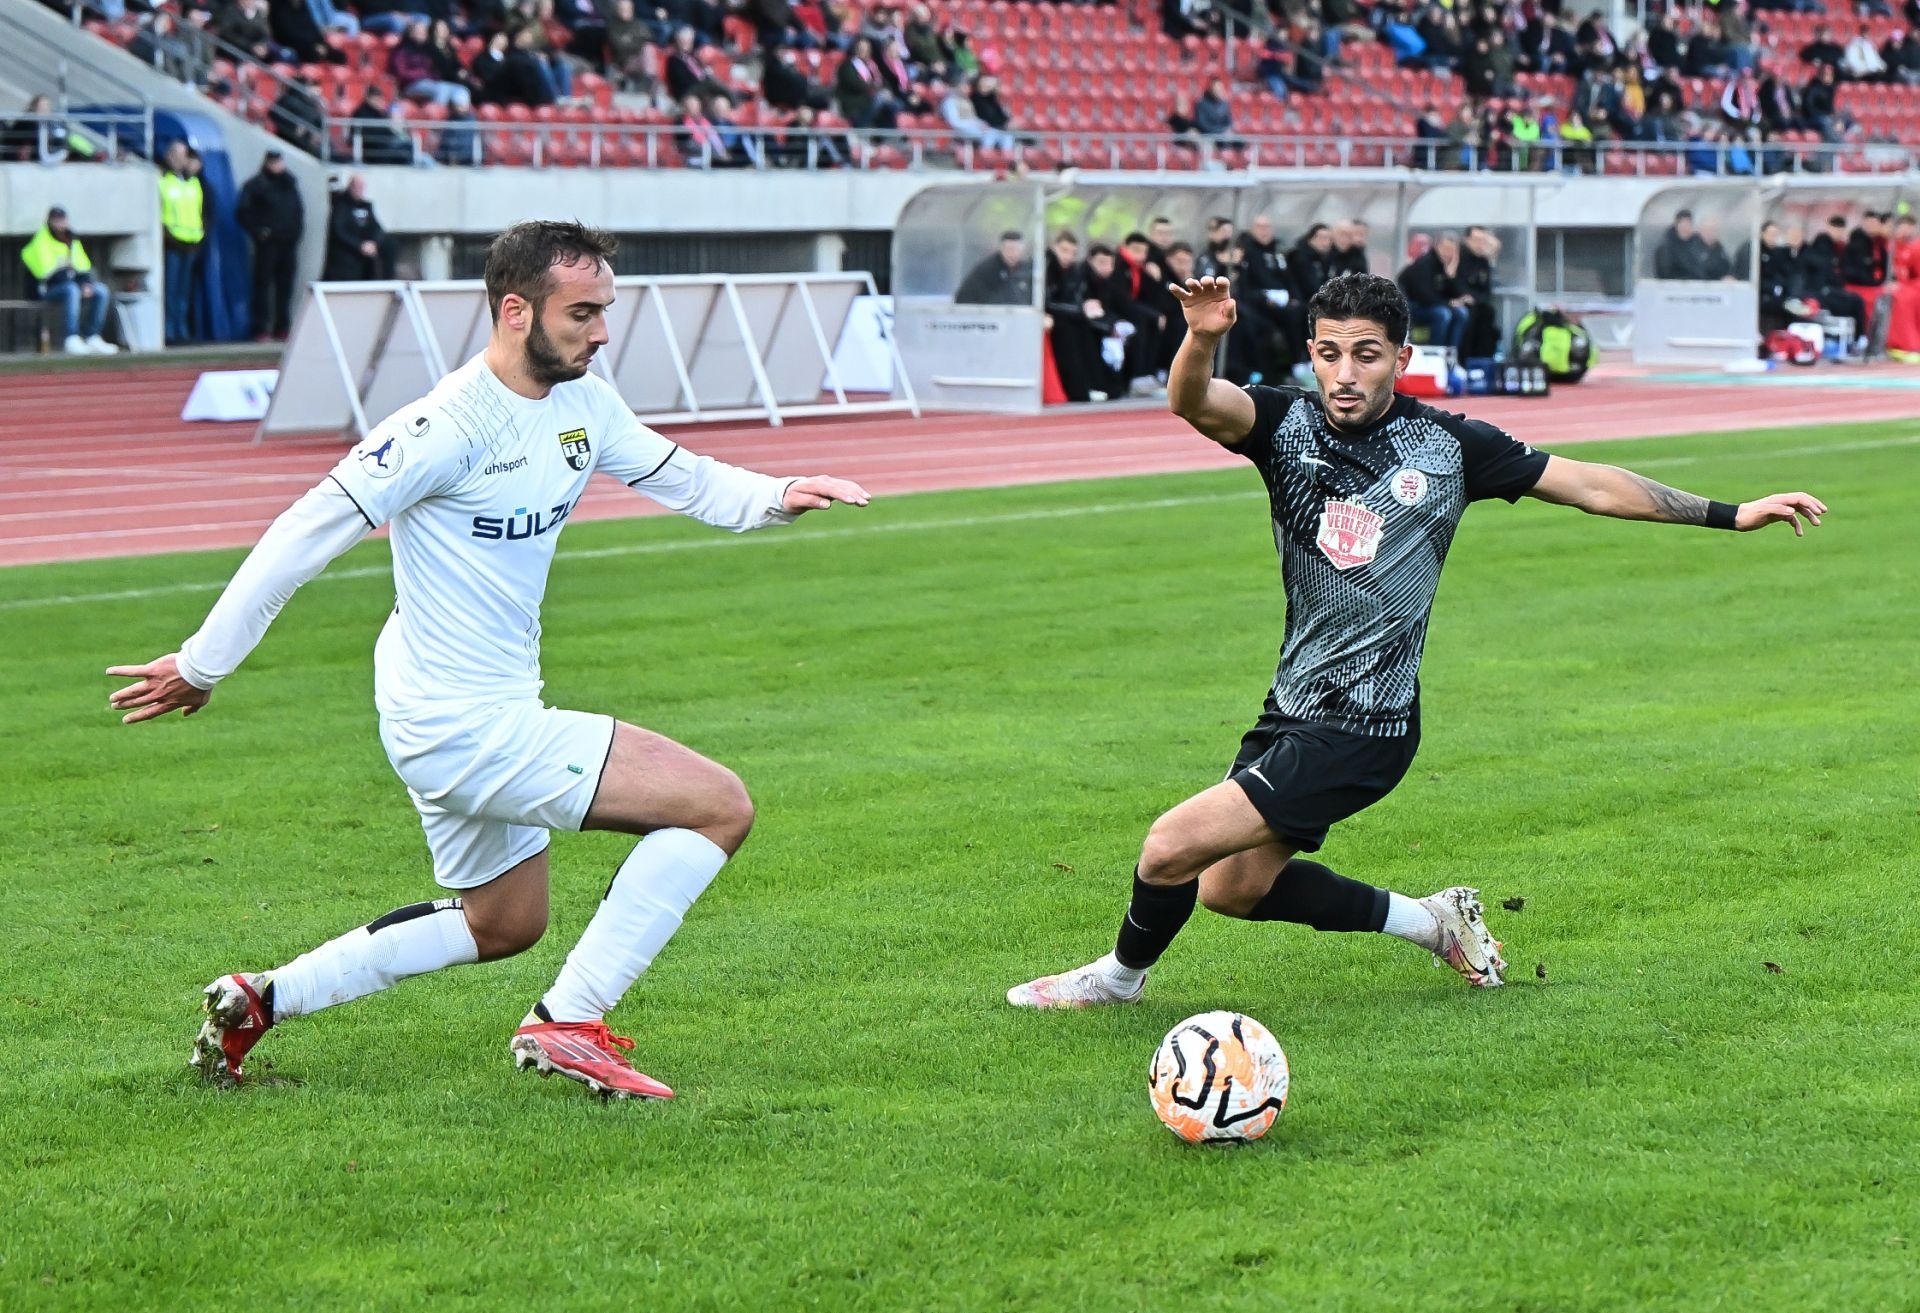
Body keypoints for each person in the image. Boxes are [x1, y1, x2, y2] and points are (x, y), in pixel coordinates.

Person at [110, 221, 872, 1100]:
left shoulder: (584, 403)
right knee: (718, 806)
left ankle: (261, 998)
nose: (601, 331)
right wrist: (204, 663)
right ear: (516, 311)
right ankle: (569, 1023)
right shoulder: (444, 425)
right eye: (582, 312)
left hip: (455, 709)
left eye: (604, 310)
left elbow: (683, 476)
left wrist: (778, 494)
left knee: (504, 921)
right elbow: (302, 534)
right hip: (463, 724)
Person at [1005, 271, 1826, 1012]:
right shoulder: (1284, 422)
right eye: (1330, 353)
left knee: (1169, 843)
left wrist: (1729, 511)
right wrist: (1203, 336)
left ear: (1401, 355)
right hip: (1293, 706)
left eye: (1366, 354)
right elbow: (1193, 402)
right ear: (1313, 355)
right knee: (1230, 886)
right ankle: (1436, 922)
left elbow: (1588, 484)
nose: (1345, 372)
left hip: (1368, 723)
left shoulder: (1449, 447)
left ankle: (1117, 981)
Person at [20, 206, 117, 355]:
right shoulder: (41, 242)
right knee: (71, 289)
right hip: (45, 289)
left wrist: (86, 284)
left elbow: (84, 267)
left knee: (101, 290)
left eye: (62, 220)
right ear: (49, 222)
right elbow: (50, 276)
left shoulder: (72, 240)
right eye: (56, 220)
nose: (60, 224)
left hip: (72, 285)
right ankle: (71, 338)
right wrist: (79, 285)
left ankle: (92, 336)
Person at [237, 149, 305, 341]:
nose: (276, 166)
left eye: (279, 162)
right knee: (263, 287)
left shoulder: (290, 185)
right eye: (273, 162)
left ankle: (282, 327)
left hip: (288, 243)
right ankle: (261, 328)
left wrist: (296, 233)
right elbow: (243, 213)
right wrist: (260, 232)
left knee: (285, 288)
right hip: (267, 245)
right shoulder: (255, 186)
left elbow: (298, 212)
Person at [159, 140, 205, 346]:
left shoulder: (193, 183)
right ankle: (169, 331)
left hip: (191, 243)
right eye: (176, 154)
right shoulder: (164, 182)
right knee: (171, 291)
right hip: (173, 243)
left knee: (184, 292)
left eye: (183, 155)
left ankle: (181, 330)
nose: (180, 159)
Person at [1397, 230, 1469, 350]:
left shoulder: (1446, 266)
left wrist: (1450, 276)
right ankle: (1436, 351)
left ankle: (1451, 351)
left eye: (1452, 250)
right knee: (1443, 314)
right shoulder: (1425, 263)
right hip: (1413, 306)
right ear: (1437, 246)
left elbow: (1456, 293)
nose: (1448, 253)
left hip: (1434, 304)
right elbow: (1424, 295)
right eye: (1445, 248)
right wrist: (1448, 303)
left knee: (1461, 313)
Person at [323, 175, 398, 281]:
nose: (359, 190)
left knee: (390, 244)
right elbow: (339, 232)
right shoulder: (340, 206)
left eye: (361, 187)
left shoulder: (366, 206)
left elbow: (377, 228)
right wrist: (359, 245)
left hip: (365, 259)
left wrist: (373, 243)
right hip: (345, 259)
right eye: (357, 187)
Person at [954, 230, 1031, 305]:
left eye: (1014, 249)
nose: (1011, 254)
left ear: (1022, 249)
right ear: (1001, 249)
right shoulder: (990, 269)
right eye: (1008, 249)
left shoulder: (1024, 268)